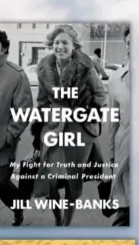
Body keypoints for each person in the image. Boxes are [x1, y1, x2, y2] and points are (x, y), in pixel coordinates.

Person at [30, 24, 108, 226]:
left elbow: (100, 93)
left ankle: (65, 224)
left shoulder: (86, 68)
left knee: (74, 179)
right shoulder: (44, 69)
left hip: (79, 129)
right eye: (56, 42)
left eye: (65, 42)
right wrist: (37, 132)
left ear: (74, 45)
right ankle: (57, 218)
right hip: (54, 126)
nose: (60, 46)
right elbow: (41, 102)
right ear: (51, 45)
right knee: (53, 180)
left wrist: (92, 110)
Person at [0, 29, 33, 226]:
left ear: (3, 48)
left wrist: (9, 136)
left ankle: (18, 208)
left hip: (2, 145)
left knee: (0, 183)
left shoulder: (16, 75)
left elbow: (25, 110)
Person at [108, 27, 131, 226]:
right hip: (126, 151)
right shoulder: (117, 78)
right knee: (125, 212)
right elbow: (113, 120)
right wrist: (111, 157)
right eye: (129, 43)